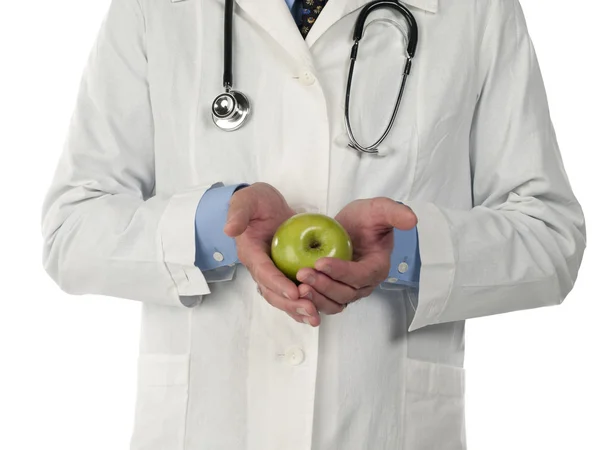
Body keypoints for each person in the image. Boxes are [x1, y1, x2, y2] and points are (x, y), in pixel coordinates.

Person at [41, 0, 586, 449]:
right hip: (204, 428)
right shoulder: (151, 9)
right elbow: (72, 230)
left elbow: (550, 236)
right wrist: (215, 228)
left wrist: (408, 249)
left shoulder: (479, 10)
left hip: (383, 427)